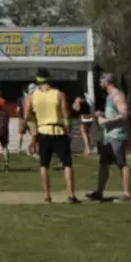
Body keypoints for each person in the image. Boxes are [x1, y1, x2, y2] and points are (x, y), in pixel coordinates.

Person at [24, 69, 79, 204]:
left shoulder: (31, 97)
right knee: (67, 164)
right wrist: (68, 130)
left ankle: (47, 195)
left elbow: (26, 116)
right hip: (59, 131)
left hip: (43, 131)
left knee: (44, 165)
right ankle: (71, 195)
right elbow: (66, 115)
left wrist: (34, 130)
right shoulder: (59, 94)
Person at [86, 75, 131, 202]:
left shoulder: (118, 96)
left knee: (121, 163)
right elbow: (114, 114)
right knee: (103, 163)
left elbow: (124, 114)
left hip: (118, 135)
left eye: (101, 80)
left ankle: (127, 194)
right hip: (108, 135)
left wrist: (106, 120)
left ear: (107, 82)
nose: (99, 83)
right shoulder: (109, 97)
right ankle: (99, 191)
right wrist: (102, 115)